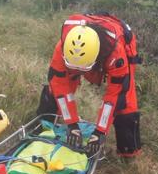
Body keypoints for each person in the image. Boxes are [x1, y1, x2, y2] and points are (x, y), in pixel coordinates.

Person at [36, 13, 142, 157]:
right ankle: (43, 128)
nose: (79, 72)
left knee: (125, 103)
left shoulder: (116, 56)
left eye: (83, 69)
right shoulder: (63, 48)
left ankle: (128, 154)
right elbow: (60, 86)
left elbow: (114, 96)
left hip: (120, 45)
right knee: (53, 91)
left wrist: (100, 132)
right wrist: (72, 124)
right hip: (81, 56)